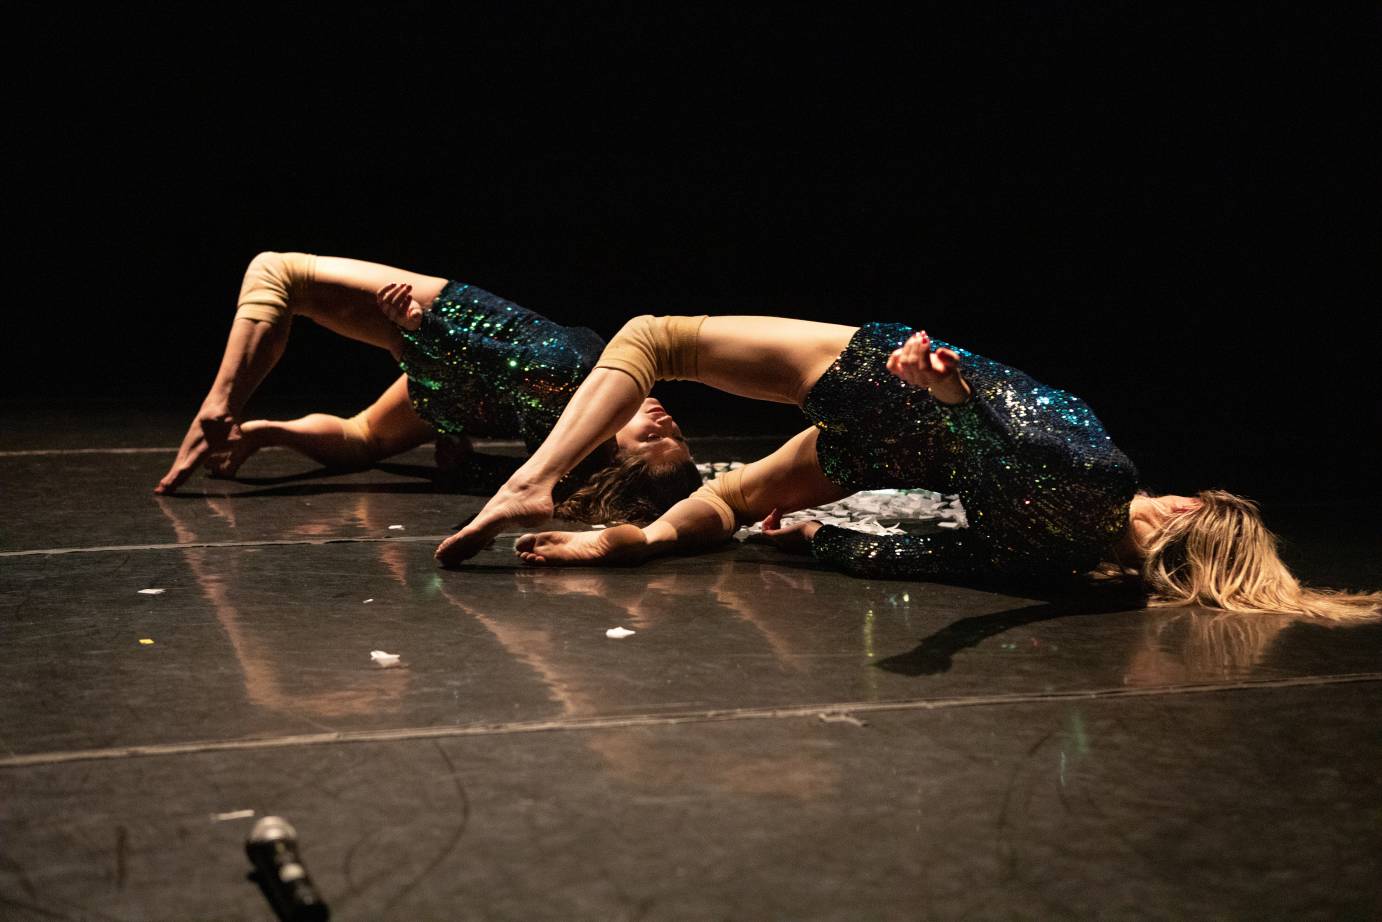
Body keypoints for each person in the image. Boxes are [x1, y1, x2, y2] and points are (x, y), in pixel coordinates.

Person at [443, 315, 1381, 623]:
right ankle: (636, 540)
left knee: (655, 338)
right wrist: (826, 532)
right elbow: (933, 552)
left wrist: (951, 398)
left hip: (906, 397)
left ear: (1179, 523)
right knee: (733, 497)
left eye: (1191, 503)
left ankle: (534, 477)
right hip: (901, 444)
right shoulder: (1071, 570)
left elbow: (1029, 445)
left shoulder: (1102, 479)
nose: (1178, 493)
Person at [155, 254, 701, 523]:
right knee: (363, 437)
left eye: (653, 440)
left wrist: (423, 329)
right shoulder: (568, 456)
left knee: (278, 272)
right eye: (677, 433)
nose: (665, 421)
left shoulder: (579, 375)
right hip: (467, 386)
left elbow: (500, 355)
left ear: (609, 458)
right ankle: (268, 433)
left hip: (461, 333)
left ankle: (226, 409)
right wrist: (470, 463)